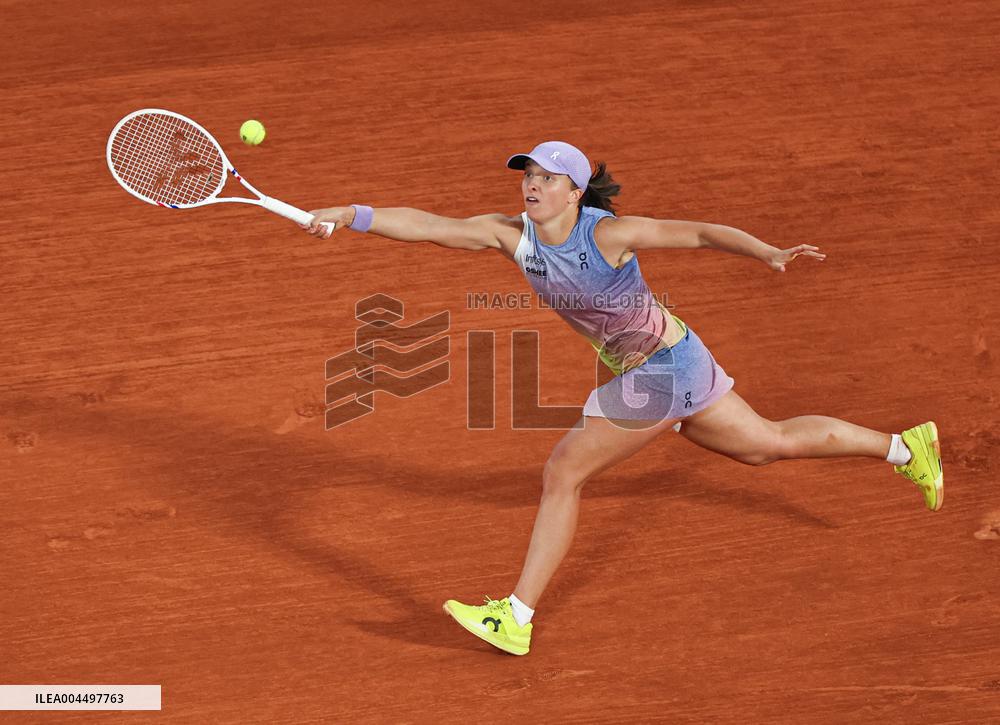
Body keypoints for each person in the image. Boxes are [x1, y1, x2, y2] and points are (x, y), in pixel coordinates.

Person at [301, 141, 943, 656]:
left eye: (548, 178)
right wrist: (350, 214)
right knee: (765, 445)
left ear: (576, 192)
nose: (531, 184)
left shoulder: (606, 235)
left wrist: (765, 251)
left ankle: (516, 616)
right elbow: (428, 226)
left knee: (563, 471)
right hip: (673, 360)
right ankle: (902, 447)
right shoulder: (510, 234)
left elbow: (697, 233)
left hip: (663, 369)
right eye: (527, 173)